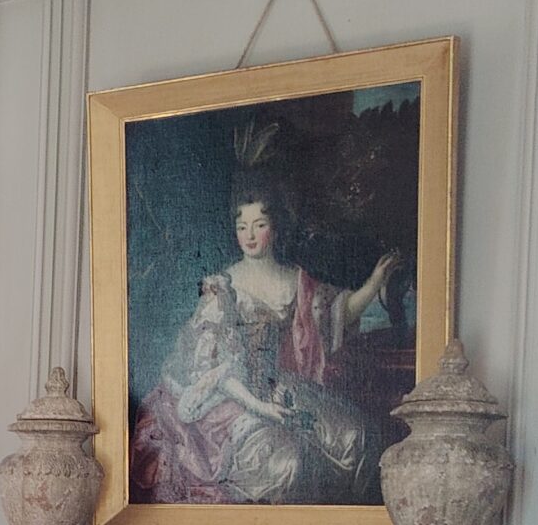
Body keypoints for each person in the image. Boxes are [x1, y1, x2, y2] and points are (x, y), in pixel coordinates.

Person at [129, 185, 399, 506]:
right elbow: (212, 369)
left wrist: (374, 283)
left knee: (355, 435)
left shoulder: (296, 280)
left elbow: (335, 314)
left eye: (259, 225)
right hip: (232, 397)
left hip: (282, 385)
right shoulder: (221, 288)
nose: (250, 235)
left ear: (275, 227)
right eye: (242, 226)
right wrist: (260, 407)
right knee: (290, 463)